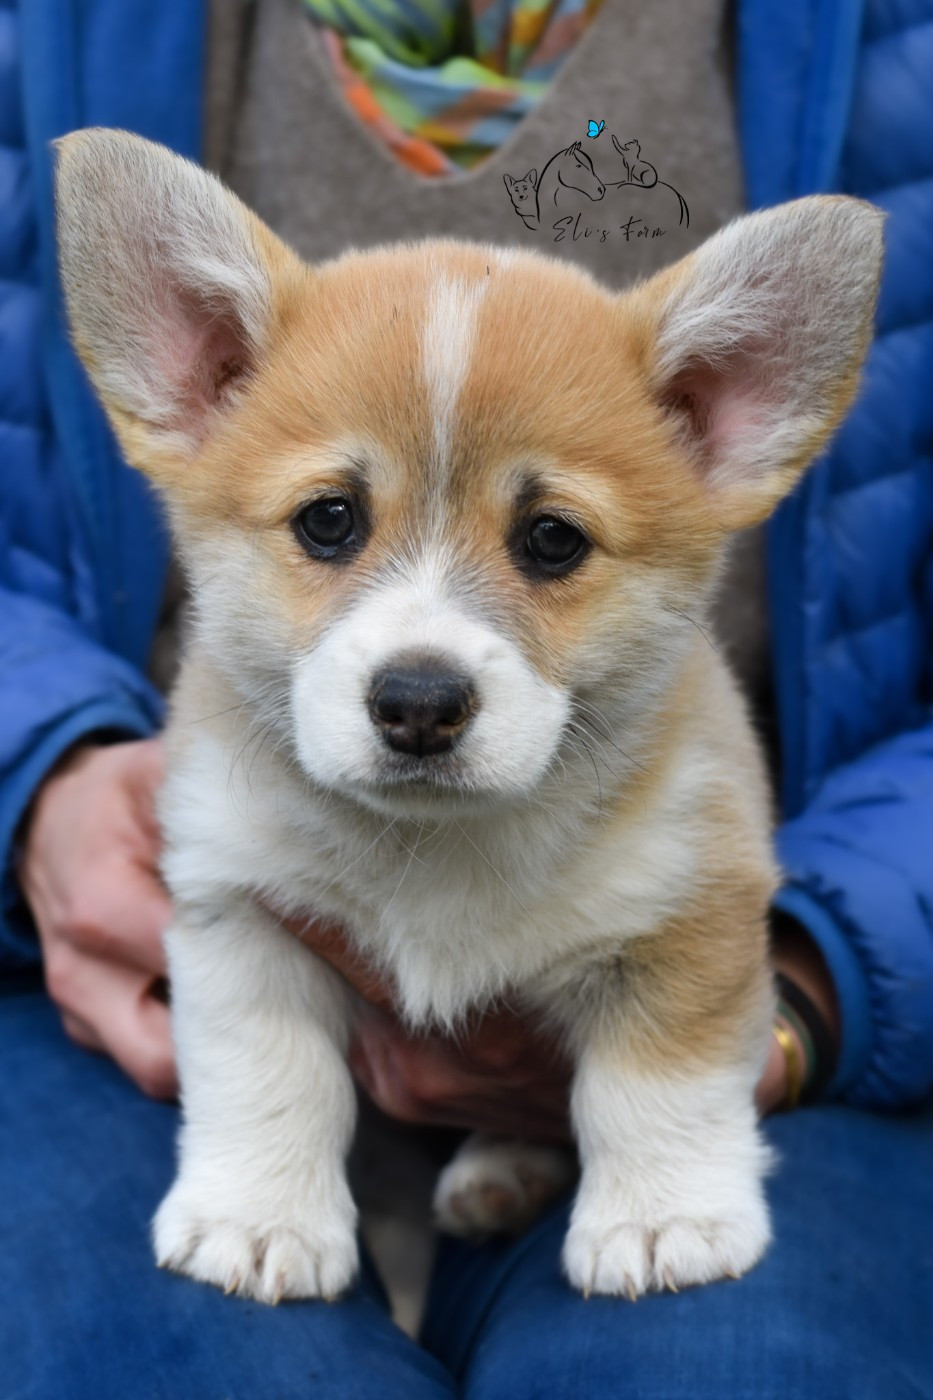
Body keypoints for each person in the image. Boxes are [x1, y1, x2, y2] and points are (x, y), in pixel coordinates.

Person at [2, 0, 932, 1396]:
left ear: (716, 419)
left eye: (548, 542)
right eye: (329, 525)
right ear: (189, 380)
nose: (421, 659)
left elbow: (688, 926)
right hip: (77, 972)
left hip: (835, 972)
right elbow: (238, 922)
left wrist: (797, 1006)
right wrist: (37, 761)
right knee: (192, 1352)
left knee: (732, 1361)